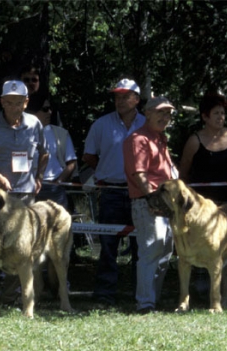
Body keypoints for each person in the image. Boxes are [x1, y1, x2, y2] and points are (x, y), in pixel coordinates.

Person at [0, 79, 48, 303]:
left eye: (18, 103)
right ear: (2, 102)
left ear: (26, 102)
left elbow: (45, 154)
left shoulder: (35, 124)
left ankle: (10, 296)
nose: (13, 107)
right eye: (9, 102)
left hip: (24, 195)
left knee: (22, 246)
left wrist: (39, 177)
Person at [82, 78, 144, 307]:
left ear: (136, 99)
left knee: (142, 247)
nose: (120, 100)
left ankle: (142, 295)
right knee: (108, 247)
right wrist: (107, 170)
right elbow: (88, 156)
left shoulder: (148, 124)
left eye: (125, 96)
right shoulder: (101, 125)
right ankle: (105, 296)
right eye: (117, 96)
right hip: (111, 192)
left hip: (141, 194)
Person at [178, 93, 227, 300]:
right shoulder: (194, 141)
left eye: (223, 113)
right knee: (201, 245)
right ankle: (201, 291)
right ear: (204, 117)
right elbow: (184, 173)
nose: (221, 117)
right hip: (204, 208)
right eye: (216, 113)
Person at [123, 96, 176, 314]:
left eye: (168, 114)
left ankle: (153, 299)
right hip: (148, 203)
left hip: (166, 204)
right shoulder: (139, 139)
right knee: (151, 251)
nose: (165, 117)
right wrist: (151, 199)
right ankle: (145, 303)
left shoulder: (160, 138)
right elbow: (139, 173)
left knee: (165, 251)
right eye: (160, 112)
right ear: (148, 113)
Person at [31, 97, 77, 208]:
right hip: (29, 188)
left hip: (54, 189)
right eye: (45, 109)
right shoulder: (21, 132)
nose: (50, 112)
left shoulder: (61, 133)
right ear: (33, 112)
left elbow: (72, 163)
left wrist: (59, 181)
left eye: (50, 108)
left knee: (58, 225)